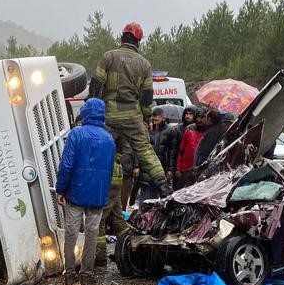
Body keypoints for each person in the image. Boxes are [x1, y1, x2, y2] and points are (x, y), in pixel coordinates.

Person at [88, 22, 170, 198]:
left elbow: (96, 85)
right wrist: (146, 118)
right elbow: (147, 97)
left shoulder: (108, 57)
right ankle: (164, 187)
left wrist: (93, 109)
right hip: (132, 117)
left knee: (106, 154)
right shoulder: (145, 65)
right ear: (138, 42)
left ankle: (103, 194)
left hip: (108, 116)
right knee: (145, 151)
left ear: (122, 37)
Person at [55, 97, 116, 284]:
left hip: (76, 192)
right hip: (97, 194)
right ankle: (88, 273)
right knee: (92, 233)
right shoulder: (109, 138)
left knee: (72, 233)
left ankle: (70, 272)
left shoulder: (76, 134)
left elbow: (66, 165)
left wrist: (60, 189)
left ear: (86, 112)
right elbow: (110, 170)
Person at [138, 106, 178, 202]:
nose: (155, 119)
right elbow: (140, 148)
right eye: (154, 116)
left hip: (161, 167)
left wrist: (170, 170)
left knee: (158, 195)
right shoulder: (148, 129)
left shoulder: (170, 131)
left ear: (163, 118)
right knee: (145, 193)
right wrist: (137, 165)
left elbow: (172, 152)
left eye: (158, 117)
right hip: (146, 167)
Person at [175, 107, 209, 184]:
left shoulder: (209, 131)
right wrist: (178, 168)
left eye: (202, 117)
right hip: (186, 169)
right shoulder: (189, 129)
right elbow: (181, 150)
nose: (199, 120)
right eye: (198, 117)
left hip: (201, 170)